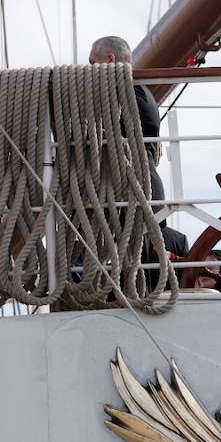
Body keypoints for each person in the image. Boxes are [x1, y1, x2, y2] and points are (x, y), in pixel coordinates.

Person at [88, 35, 189, 272]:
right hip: (133, 191)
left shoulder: (130, 95)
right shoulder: (133, 91)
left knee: (135, 271)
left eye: (93, 64)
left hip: (138, 190)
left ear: (110, 59)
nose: (89, 71)